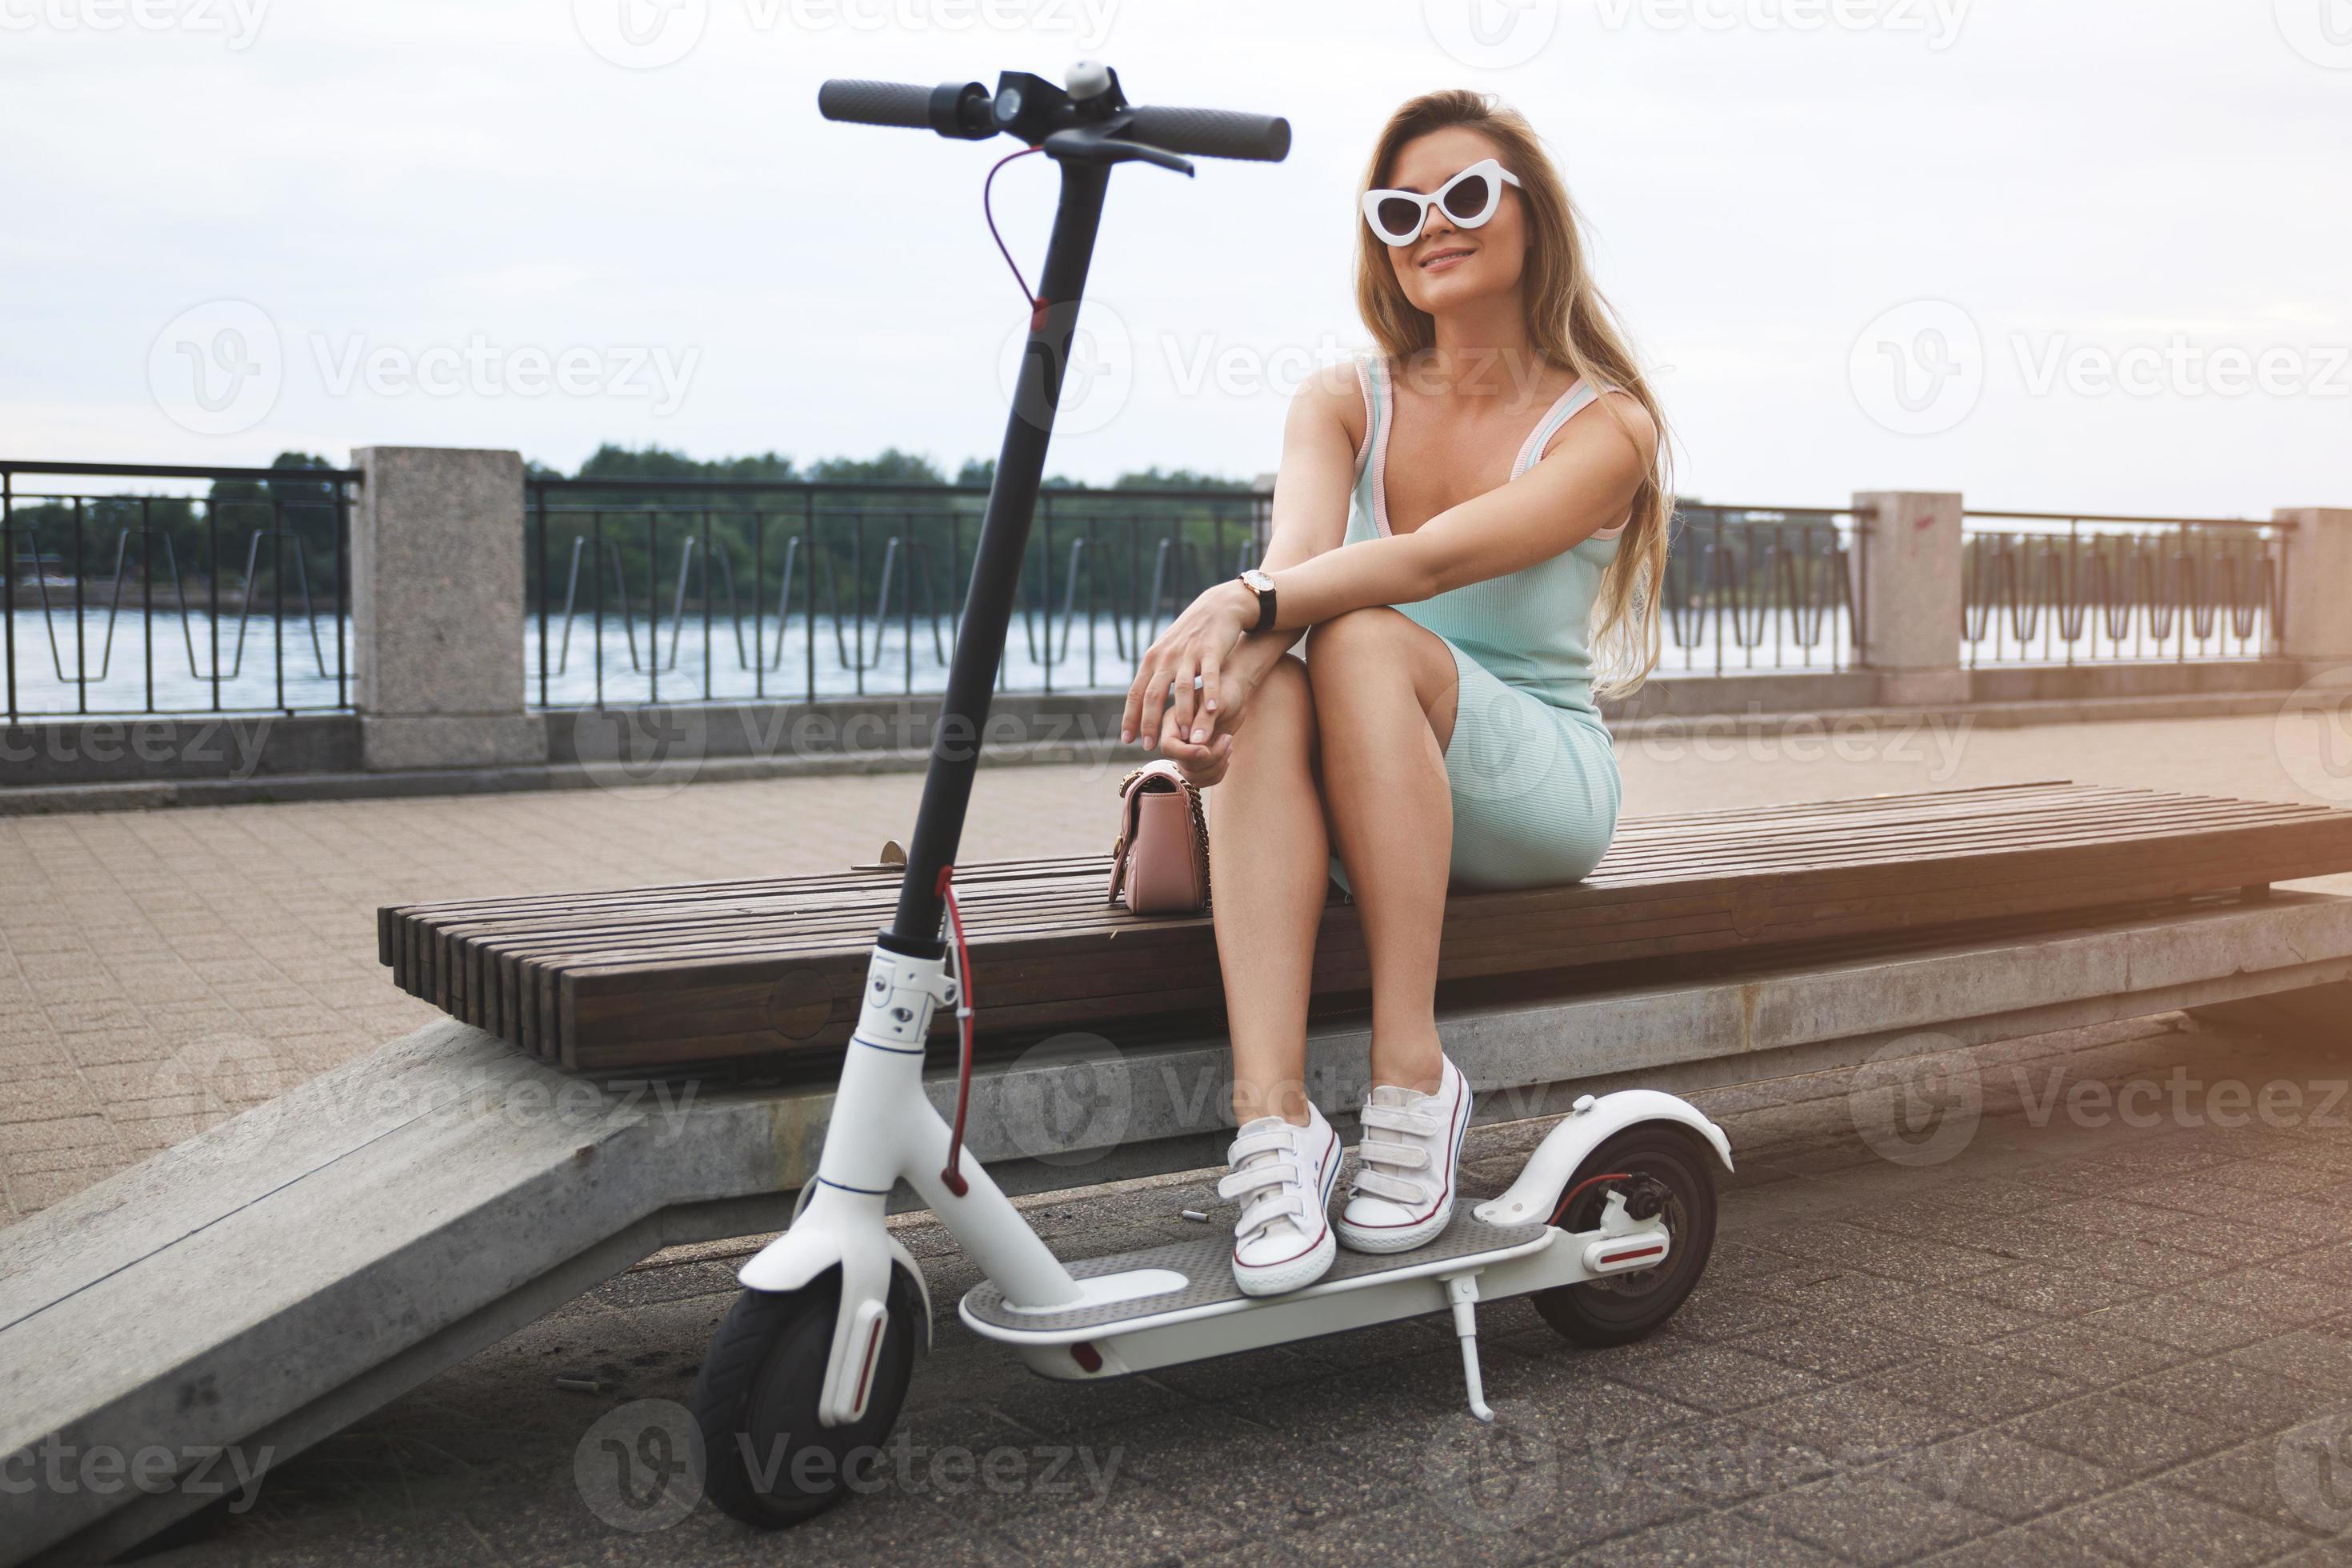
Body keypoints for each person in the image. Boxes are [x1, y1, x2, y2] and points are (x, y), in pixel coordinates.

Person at [1119, 90, 1674, 1295]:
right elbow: (1298, 568)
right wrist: (1216, 703)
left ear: (1534, 218)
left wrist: (1247, 604)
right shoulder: (1340, 401)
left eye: (1466, 196)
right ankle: (1275, 1122)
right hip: (1367, 781)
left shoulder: (1608, 428)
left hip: (1529, 783)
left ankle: (1410, 1070)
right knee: (1281, 669)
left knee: (1358, 632)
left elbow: (1415, 569)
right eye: (1400, 208)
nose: (1433, 224)